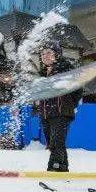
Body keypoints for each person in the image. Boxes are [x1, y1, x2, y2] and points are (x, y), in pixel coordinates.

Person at [34, 42, 82, 172]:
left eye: (49, 53)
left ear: (57, 54)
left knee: (56, 143)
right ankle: (63, 170)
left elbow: (77, 88)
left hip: (61, 112)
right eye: (42, 54)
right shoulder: (42, 74)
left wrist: (71, 104)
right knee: (54, 144)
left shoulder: (65, 68)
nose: (45, 56)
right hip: (46, 114)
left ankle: (53, 170)